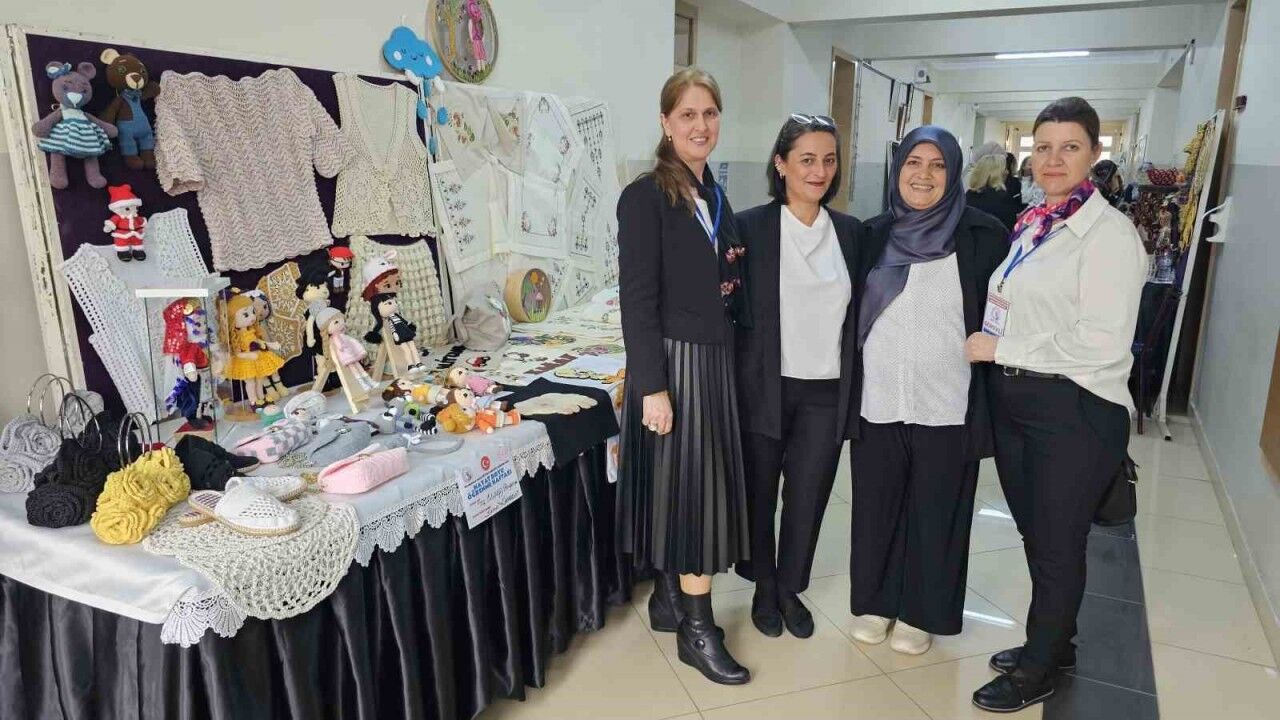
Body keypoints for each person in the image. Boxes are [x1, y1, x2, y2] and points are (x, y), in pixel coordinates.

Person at [965, 97, 1147, 712]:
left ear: (1094, 154)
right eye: (1043, 147)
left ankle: (1038, 668)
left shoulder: (1110, 237)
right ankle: (1054, 642)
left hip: (1075, 408)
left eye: (1070, 147)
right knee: (1038, 533)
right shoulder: (1036, 222)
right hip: (1020, 401)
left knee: (1058, 541)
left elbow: (1101, 342)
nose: (1053, 159)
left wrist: (1001, 346)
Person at [847, 125, 1009, 657]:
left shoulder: (982, 235)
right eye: (914, 163)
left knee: (938, 511)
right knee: (876, 507)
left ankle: (921, 612)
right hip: (879, 398)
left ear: (955, 173)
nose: (924, 175)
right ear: (898, 170)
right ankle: (876, 602)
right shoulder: (872, 235)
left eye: (938, 165)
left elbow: (1001, 312)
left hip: (949, 401)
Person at [617, 68, 753, 685]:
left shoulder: (715, 197)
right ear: (666, 123)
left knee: (680, 490)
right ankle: (699, 631)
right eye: (688, 115)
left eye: (710, 114)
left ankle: (669, 599)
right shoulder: (645, 197)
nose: (701, 125)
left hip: (714, 361)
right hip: (675, 366)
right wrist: (653, 387)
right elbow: (637, 299)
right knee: (698, 499)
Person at [733, 114, 861, 639]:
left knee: (808, 496)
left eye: (828, 160)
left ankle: (790, 587)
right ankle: (764, 585)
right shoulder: (749, 229)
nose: (819, 171)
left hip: (825, 393)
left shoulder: (851, 234)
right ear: (781, 164)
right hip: (764, 386)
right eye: (806, 159)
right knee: (759, 493)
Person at [965, 153, 1022, 230]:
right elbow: (1010, 227)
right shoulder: (1003, 197)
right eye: (1005, 169)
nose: (1007, 172)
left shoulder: (968, 195)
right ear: (995, 173)